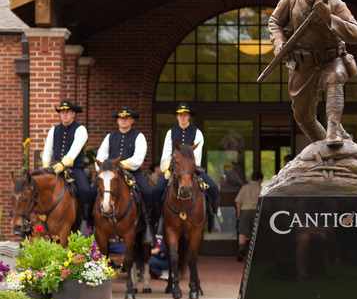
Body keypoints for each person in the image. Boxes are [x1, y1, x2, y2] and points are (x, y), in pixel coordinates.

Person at [268, 0, 357, 148]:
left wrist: (329, 17)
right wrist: (279, 43)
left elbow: (356, 34)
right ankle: (326, 147)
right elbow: (275, 21)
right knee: (303, 116)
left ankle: (334, 131)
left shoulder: (335, 4)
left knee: (335, 77)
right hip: (302, 64)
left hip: (330, 60)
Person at [152, 102, 220, 234]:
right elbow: (166, 155)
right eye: (180, 115)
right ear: (176, 117)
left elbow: (196, 156)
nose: (182, 117)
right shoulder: (170, 132)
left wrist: (189, 167)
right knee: (157, 190)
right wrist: (167, 168)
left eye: (185, 115)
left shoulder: (197, 133)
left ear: (189, 116)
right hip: (174, 170)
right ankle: (160, 219)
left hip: (192, 169)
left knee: (213, 187)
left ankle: (213, 218)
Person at [96, 107, 155, 244]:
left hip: (132, 172)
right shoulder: (109, 137)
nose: (123, 120)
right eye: (121, 118)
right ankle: (91, 225)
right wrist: (105, 169)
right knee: (92, 191)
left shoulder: (139, 136)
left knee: (147, 192)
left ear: (132, 120)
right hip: (109, 174)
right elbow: (101, 157)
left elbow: (138, 159)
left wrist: (122, 165)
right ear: (117, 120)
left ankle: (147, 226)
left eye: (126, 118)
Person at [42, 100, 94, 235]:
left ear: (73, 114)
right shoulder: (53, 130)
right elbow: (47, 151)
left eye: (67, 112)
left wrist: (64, 163)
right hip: (55, 168)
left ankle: (85, 222)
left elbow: (75, 148)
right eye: (62, 112)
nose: (64, 115)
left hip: (75, 168)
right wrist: (46, 167)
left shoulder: (81, 130)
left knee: (85, 190)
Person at [234, 171, 263, 261]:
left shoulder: (244, 188)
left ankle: (242, 247)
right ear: (259, 180)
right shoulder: (261, 189)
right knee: (255, 231)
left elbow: (238, 201)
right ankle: (253, 252)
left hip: (245, 210)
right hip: (256, 211)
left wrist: (239, 212)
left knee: (242, 231)